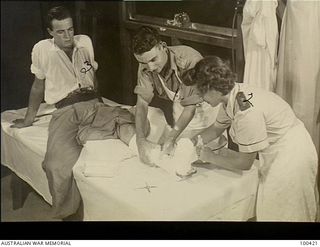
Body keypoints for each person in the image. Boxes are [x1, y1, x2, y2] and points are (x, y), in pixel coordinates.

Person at [10, 6, 136, 219]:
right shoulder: (41, 49)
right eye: (61, 32)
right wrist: (28, 119)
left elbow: (92, 76)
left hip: (92, 103)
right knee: (55, 164)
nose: (68, 36)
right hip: (65, 111)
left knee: (128, 121)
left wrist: (100, 102)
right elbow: (38, 87)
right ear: (50, 32)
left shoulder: (84, 42)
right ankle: (66, 214)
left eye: (70, 29)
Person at [186, 56, 319, 221]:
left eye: (201, 92)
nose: (200, 97)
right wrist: (187, 144)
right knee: (272, 209)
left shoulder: (246, 112)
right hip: (278, 150)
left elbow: (245, 163)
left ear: (213, 90)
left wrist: (210, 157)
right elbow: (215, 129)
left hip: (292, 155)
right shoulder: (232, 96)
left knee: (286, 212)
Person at [132, 26, 226, 166]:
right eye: (143, 62)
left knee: (210, 163)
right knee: (183, 159)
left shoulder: (189, 59)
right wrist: (140, 140)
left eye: (153, 60)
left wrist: (171, 138)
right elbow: (141, 104)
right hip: (181, 114)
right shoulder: (145, 65)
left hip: (205, 114)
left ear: (162, 46)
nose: (150, 67)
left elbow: (190, 108)